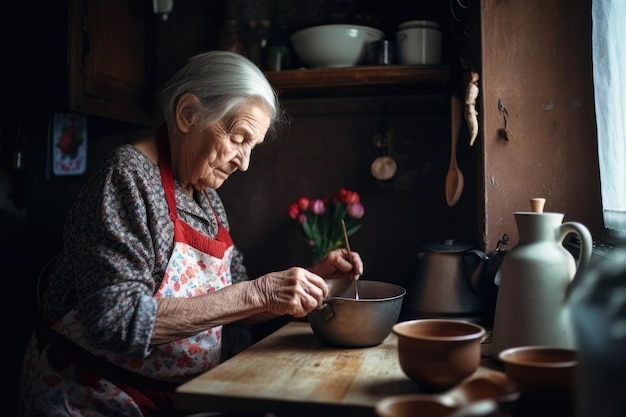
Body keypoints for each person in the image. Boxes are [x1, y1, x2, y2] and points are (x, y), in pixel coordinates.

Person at [17, 50, 363, 417]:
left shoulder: (207, 196)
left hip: (174, 399)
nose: (244, 163)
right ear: (188, 114)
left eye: (252, 147)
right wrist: (260, 291)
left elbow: (239, 301)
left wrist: (313, 278)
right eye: (238, 138)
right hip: (93, 396)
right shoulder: (128, 177)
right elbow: (114, 322)